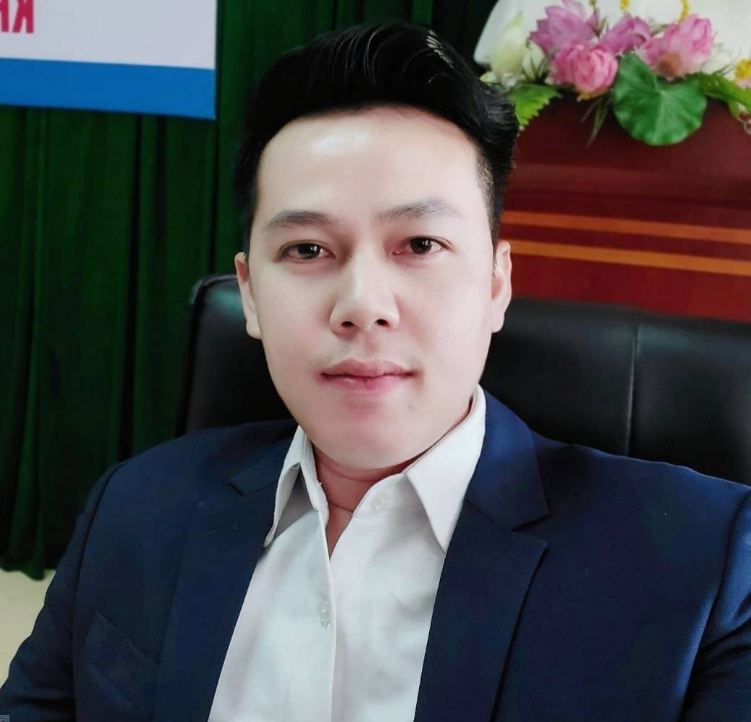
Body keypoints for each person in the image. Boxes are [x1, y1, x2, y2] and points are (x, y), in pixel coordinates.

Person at [1, 20, 750, 722]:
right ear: (250, 293)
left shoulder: (703, 567)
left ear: (496, 284)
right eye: (306, 250)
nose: (363, 305)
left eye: (419, 245)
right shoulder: (136, 503)